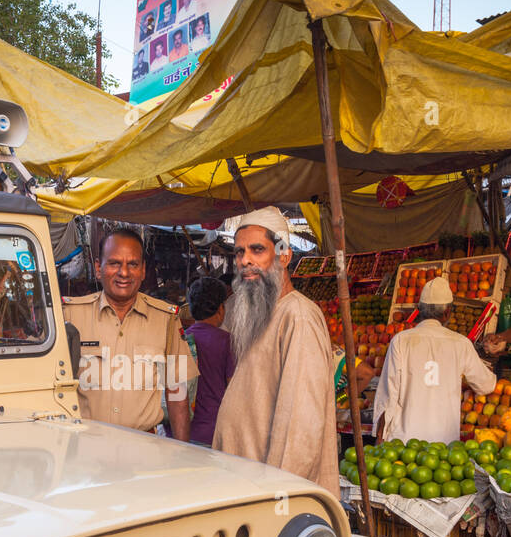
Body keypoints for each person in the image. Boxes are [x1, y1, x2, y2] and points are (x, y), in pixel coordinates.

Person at [212, 207, 339, 497]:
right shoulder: (259, 314)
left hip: (270, 495)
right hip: (244, 484)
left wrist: (276, 496)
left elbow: (299, 428)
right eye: (239, 252)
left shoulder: (298, 316)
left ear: (284, 254)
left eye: (257, 250)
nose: (245, 260)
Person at [64, 228, 198, 441]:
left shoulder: (166, 320)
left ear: (143, 270)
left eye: (132, 264)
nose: (124, 273)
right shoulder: (70, 315)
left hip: (145, 452)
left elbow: (177, 393)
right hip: (84, 450)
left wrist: (181, 452)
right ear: (99, 267)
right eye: (115, 263)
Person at [373, 278, 496, 444]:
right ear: (447, 313)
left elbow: (388, 395)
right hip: (443, 447)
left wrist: (379, 438)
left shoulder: (401, 340)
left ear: (419, 310)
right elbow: (486, 385)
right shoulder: (461, 343)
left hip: (404, 444)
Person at [184, 277, 236, 447]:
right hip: (212, 433)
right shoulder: (227, 342)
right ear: (221, 308)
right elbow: (234, 390)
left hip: (179, 432)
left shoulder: (180, 338)